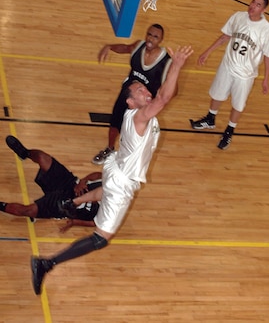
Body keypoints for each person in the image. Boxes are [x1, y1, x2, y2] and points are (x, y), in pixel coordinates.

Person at [30, 44, 193, 295]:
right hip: (122, 176)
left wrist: (172, 70)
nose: (145, 90)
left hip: (116, 165)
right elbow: (164, 97)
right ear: (130, 102)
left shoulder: (136, 115)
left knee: (106, 190)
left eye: (145, 87)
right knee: (100, 239)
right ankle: (46, 263)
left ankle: (72, 202)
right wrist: (178, 64)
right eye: (139, 90)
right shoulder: (139, 116)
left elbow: (165, 92)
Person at [190, 0, 269, 150]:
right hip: (227, 66)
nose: (252, 6)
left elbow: (267, 56)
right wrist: (207, 52)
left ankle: (229, 131)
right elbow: (225, 37)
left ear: (264, 10)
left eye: (258, 5)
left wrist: (266, 79)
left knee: (238, 104)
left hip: (245, 74)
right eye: (252, 2)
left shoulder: (267, 30)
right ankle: (210, 119)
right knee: (216, 94)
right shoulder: (238, 16)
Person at [93, 23, 176, 165]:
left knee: (135, 133)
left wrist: (162, 95)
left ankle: (131, 159)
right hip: (128, 94)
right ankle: (110, 148)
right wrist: (110, 46)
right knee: (115, 120)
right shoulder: (139, 46)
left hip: (144, 104)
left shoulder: (166, 62)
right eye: (149, 34)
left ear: (161, 40)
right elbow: (126, 48)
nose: (150, 39)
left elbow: (174, 91)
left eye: (155, 37)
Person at [2, 135, 102, 232]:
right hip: (69, 183)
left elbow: (95, 223)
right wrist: (83, 180)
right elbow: (99, 175)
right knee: (42, 157)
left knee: (28, 211)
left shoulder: (114, 210)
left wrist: (74, 222)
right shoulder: (114, 183)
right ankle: (24, 153)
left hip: (63, 205)